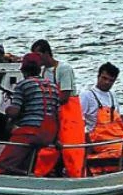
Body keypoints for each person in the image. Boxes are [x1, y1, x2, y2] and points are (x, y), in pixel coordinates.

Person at [0, 52, 60, 175]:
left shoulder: (23, 85)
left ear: (23, 70)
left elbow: (14, 112)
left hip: (31, 131)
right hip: (51, 133)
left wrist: (6, 110)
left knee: (2, 164)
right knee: (26, 162)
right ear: (39, 69)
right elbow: (57, 112)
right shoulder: (53, 86)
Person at [31, 40, 87, 177]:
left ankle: (77, 176)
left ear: (46, 53)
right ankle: (41, 174)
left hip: (69, 115)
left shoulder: (64, 68)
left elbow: (65, 96)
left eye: (38, 55)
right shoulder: (43, 72)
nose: (37, 59)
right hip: (53, 113)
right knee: (48, 146)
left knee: (71, 149)